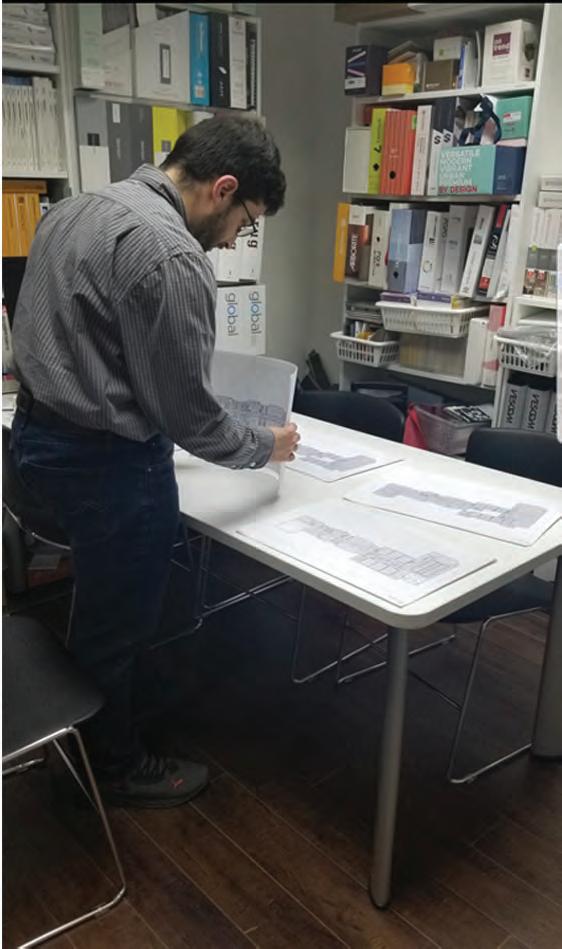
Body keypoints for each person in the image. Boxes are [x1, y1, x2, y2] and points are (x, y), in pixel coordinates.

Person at [10, 115, 299, 808]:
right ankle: (113, 765)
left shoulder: (72, 210)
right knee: (115, 627)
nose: (233, 240)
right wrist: (265, 446)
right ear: (222, 188)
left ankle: (103, 721)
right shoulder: (171, 255)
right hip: (107, 469)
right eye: (245, 222)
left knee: (105, 609)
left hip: (36, 446)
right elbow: (191, 420)